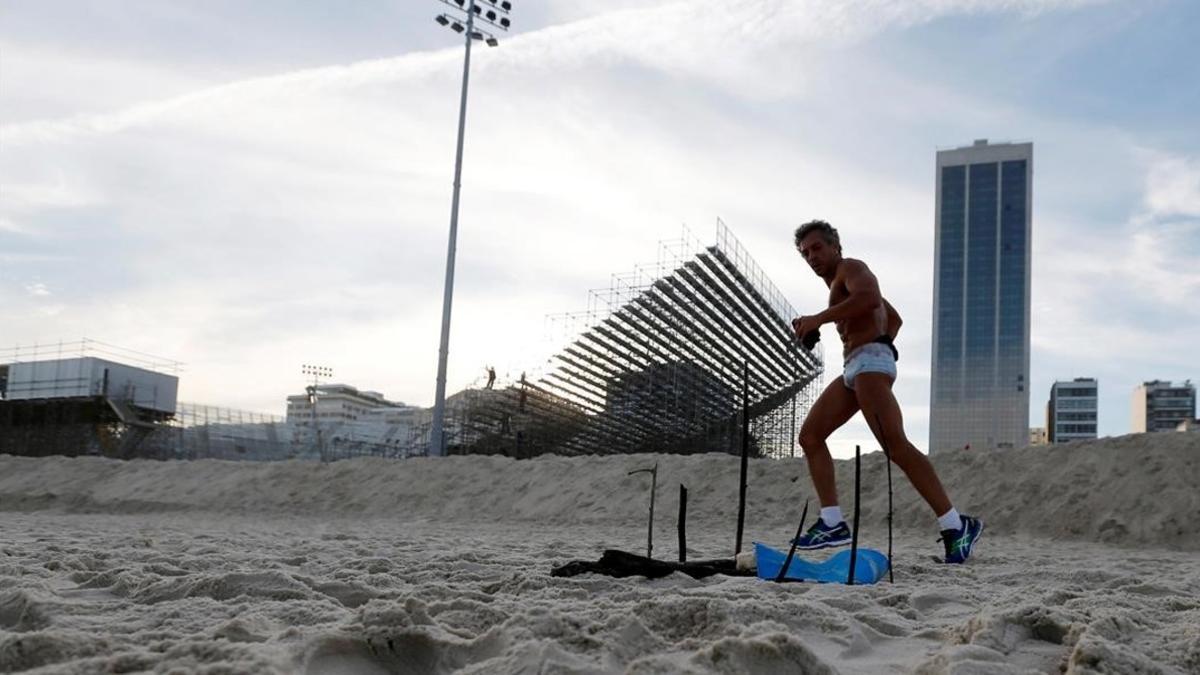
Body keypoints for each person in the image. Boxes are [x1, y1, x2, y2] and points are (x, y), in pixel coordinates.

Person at [790, 219, 983, 564]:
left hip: (868, 365)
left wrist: (824, 321)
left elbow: (870, 298)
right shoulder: (838, 284)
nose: (812, 256)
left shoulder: (852, 268)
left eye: (817, 248)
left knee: (896, 445)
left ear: (835, 246)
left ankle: (956, 525)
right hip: (857, 367)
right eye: (805, 253)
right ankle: (832, 522)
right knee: (810, 436)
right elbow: (893, 317)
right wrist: (881, 339)